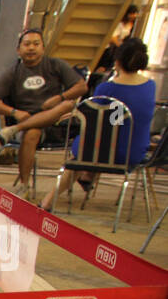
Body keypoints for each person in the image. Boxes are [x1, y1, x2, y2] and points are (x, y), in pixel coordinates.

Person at [42, 37, 156, 211]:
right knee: (108, 139)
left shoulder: (106, 89)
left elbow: (99, 124)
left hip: (105, 151)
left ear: (117, 62)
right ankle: (87, 176)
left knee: (89, 148)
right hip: (134, 153)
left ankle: (48, 201)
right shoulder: (150, 86)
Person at [0, 29, 87, 199]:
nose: (31, 48)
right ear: (19, 50)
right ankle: (25, 185)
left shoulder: (55, 65)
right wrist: (14, 112)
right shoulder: (14, 72)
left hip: (55, 123)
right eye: (27, 44)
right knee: (32, 132)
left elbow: (81, 87)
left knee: (67, 105)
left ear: (43, 47)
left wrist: (59, 97)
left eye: (36, 44)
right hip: (28, 123)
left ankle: (14, 129)